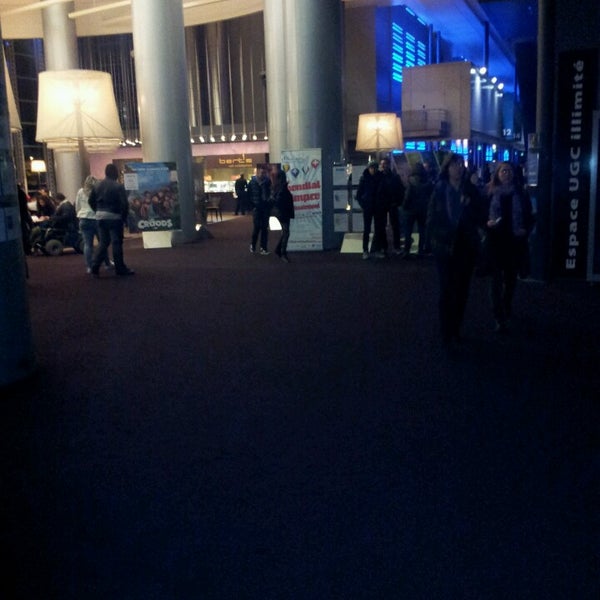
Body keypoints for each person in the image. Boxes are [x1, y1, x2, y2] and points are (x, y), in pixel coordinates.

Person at [427, 153, 486, 348]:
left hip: (465, 246)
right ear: (447, 168)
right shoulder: (439, 189)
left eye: (460, 164)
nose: (458, 168)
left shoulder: (470, 190)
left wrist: (469, 207)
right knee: (446, 288)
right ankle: (446, 330)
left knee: (462, 289)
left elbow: (481, 214)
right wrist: (433, 239)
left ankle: (456, 328)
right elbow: (432, 217)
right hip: (444, 245)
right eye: (454, 164)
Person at [485, 161, 534, 332]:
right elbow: (480, 214)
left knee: (511, 279)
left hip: (514, 243)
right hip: (495, 242)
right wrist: (487, 224)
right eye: (503, 171)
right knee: (495, 281)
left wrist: (525, 230)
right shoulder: (489, 192)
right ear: (497, 173)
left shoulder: (520, 193)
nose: (506, 173)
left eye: (509, 171)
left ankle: (506, 304)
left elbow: (529, 216)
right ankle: (498, 316)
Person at [89, 163, 134, 277]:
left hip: (100, 216)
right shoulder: (118, 186)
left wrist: (97, 210)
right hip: (114, 216)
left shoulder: (97, 185)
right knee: (116, 242)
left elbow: (91, 201)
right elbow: (124, 204)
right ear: (115, 173)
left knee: (103, 243)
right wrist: (124, 218)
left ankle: (94, 266)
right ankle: (120, 268)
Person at [76, 175, 114, 274]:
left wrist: (80, 215)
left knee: (87, 245)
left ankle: (89, 267)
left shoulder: (80, 191)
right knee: (102, 242)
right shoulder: (98, 191)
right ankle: (107, 263)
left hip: (84, 219)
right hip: (97, 218)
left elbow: (77, 206)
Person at [372, 157, 404, 257]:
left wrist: (397, 201)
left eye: (384, 164)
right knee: (384, 226)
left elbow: (400, 190)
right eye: (382, 164)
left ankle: (392, 247)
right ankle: (387, 247)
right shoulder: (391, 177)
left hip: (389, 203)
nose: (383, 166)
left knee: (393, 226)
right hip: (385, 204)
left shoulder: (389, 177)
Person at [403, 162, 433, 257]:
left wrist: (404, 206)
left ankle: (406, 250)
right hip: (422, 209)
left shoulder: (411, 181)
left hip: (411, 209)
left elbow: (407, 196)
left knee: (408, 230)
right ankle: (421, 250)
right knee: (422, 230)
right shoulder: (427, 181)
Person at [356, 160, 380, 260]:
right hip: (369, 207)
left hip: (377, 207)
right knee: (367, 229)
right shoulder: (365, 179)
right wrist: (364, 205)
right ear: (369, 168)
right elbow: (358, 195)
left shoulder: (378, 178)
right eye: (371, 168)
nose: (373, 170)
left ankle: (374, 250)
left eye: (374, 168)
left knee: (377, 229)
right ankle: (366, 250)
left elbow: (358, 195)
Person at [271, 168, 295, 262]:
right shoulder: (281, 188)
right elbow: (280, 201)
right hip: (283, 213)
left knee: (285, 232)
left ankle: (279, 250)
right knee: (286, 233)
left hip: (282, 213)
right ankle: (282, 253)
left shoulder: (278, 187)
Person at [247, 165, 272, 255]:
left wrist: (269, 203)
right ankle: (253, 245)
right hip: (257, 207)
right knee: (257, 227)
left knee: (264, 228)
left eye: (264, 173)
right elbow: (248, 195)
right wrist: (252, 206)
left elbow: (270, 192)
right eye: (261, 172)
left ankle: (263, 248)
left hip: (265, 207)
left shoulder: (267, 181)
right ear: (257, 172)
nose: (263, 174)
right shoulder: (252, 182)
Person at [18, 184, 33, 256]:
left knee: (23, 232)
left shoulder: (18, 193)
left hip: (20, 215)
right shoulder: (22, 193)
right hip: (23, 215)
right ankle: (27, 249)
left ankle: (25, 249)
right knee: (25, 232)